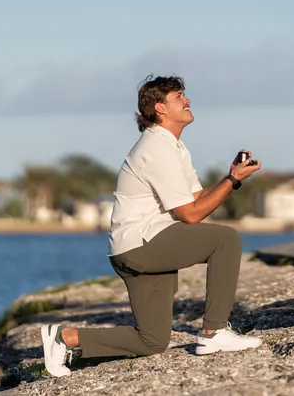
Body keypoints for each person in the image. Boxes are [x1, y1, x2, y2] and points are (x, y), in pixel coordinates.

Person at [41, 75, 263, 377]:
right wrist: (233, 181)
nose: (187, 101)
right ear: (160, 108)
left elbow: (197, 198)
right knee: (226, 240)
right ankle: (213, 333)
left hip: (138, 247)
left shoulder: (173, 147)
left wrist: (231, 176)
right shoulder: (156, 148)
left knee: (153, 341)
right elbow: (191, 215)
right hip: (141, 246)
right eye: (179, 97)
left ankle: (64, 338)